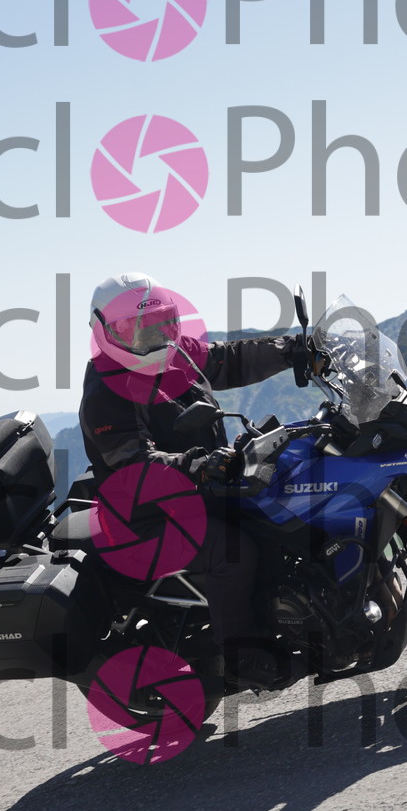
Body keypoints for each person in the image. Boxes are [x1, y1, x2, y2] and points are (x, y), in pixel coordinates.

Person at [79, 271, 323, 690]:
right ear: (105, 332)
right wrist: (195, 465)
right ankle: (243, 655)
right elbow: (133, 463)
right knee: (231, 551)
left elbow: (230, 359)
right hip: (144, 517)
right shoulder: (106, 394)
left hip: (199, 489)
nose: (153, 338)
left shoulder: (174, 353)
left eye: (161, 324)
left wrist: (293, 350)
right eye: (136, 329)